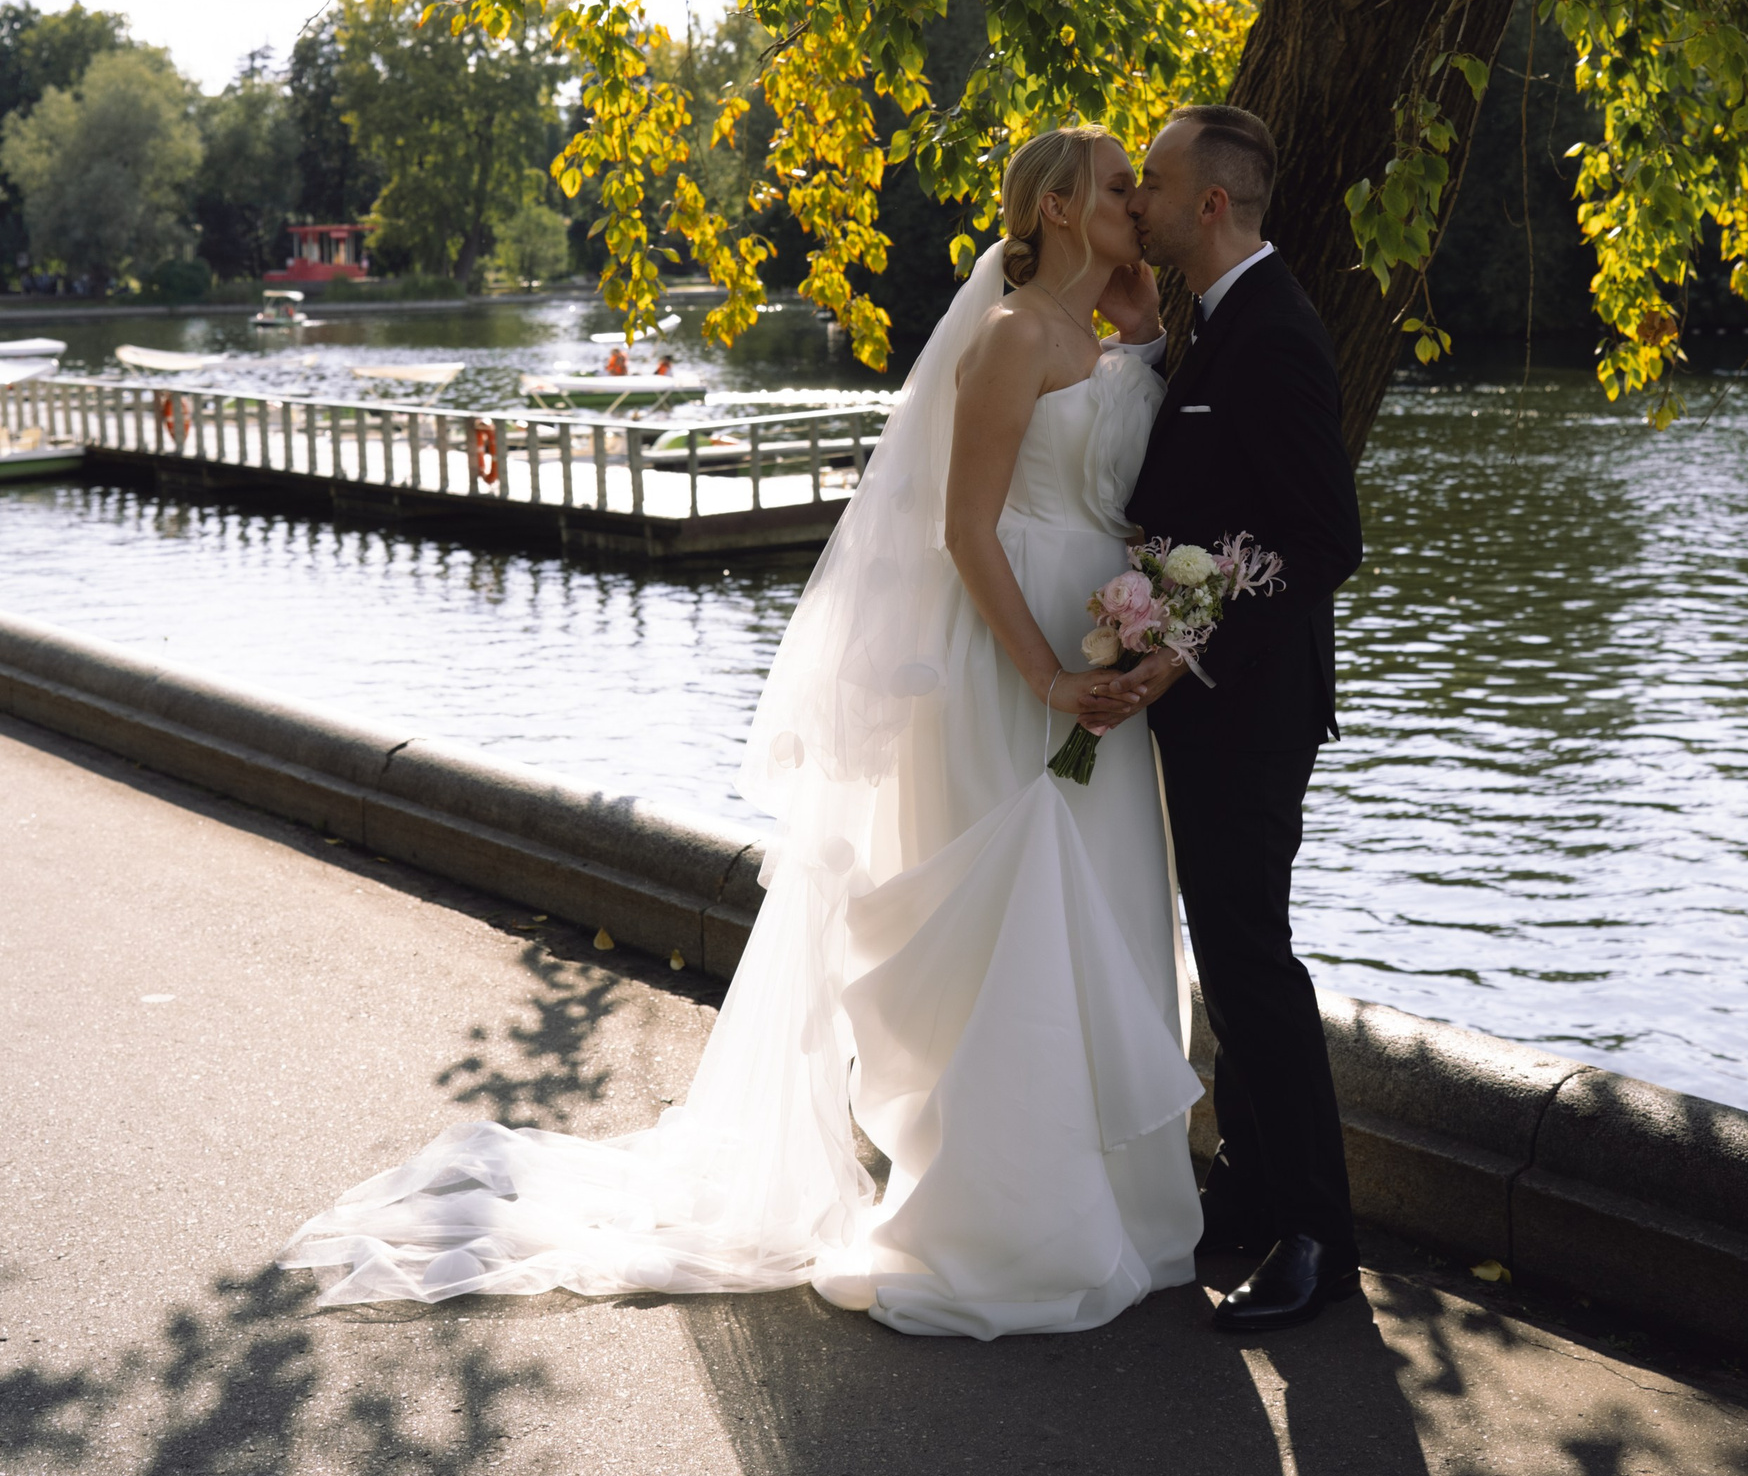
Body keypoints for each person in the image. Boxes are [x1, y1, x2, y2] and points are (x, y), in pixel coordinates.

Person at [280, 126, 1204, 1338]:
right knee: (1011, 913)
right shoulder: (1008, 336)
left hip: (1104, 644)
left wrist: (1147, 358)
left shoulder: (1115, 337)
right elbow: (964, 529)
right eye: (1121, 187)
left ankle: (1121, 1209)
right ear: (1063, 207)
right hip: (1011, 652)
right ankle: (1003, 1220)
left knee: (1107, 890)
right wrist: (1042, 675)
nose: (1140, 203)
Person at [1118, 105, 1366, 1335]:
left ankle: (1320, 1237)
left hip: (1254, 709)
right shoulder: (1221, 323)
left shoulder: (1276, 331)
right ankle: (1248, 1190)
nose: (1139, 201)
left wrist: (1184, 641)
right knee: (1228, 952)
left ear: (1210, 204)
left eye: (1154, 183)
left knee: (1252, 959)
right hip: (1211, 708)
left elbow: (1325, 541)